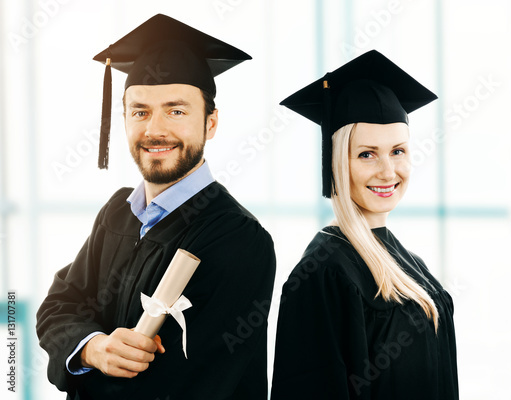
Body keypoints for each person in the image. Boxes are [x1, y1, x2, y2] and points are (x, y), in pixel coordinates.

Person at [35, 14, 276, 399]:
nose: (154, 130)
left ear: (211, 123)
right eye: (140, 111)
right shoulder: (117, 212)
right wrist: (93, 348)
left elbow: (189, 383)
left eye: (176, 110)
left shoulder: (238, 238)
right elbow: (59, 305)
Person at [270, 50, 459, 399]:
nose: (388, 171)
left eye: (398, 151)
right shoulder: (324, 272)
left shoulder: (409, 261)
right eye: (366, 154)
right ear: (337, 162)